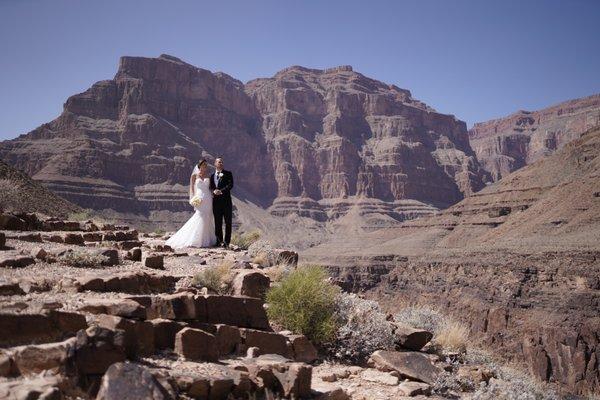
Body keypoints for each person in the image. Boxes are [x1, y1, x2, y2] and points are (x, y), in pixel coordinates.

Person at [165, 159, 217, 248]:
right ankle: (196, 239)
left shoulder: (208, 176)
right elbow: (192, 188)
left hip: (208, 198)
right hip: (199, 198)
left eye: (206, 165)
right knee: (200, 215)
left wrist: (214, 193)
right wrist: (193, 198)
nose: (205, 166)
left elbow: (210, 188)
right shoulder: (194, 176)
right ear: (199, 166)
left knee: (208, 217)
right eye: (203, 164)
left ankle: (206, 240)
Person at [209, 157, 234, 247]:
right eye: (219, 162)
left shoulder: (228, 174)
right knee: (218, 222)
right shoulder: (212, 176)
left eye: (222, 162)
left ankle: (227, 242)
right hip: (216, 203)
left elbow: (230, 185)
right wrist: (213, 191)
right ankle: (219, 241)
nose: (221, 163)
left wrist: (221, 191)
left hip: (226, 202)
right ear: (215, 164)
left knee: (228, 222)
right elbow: (211, 187)